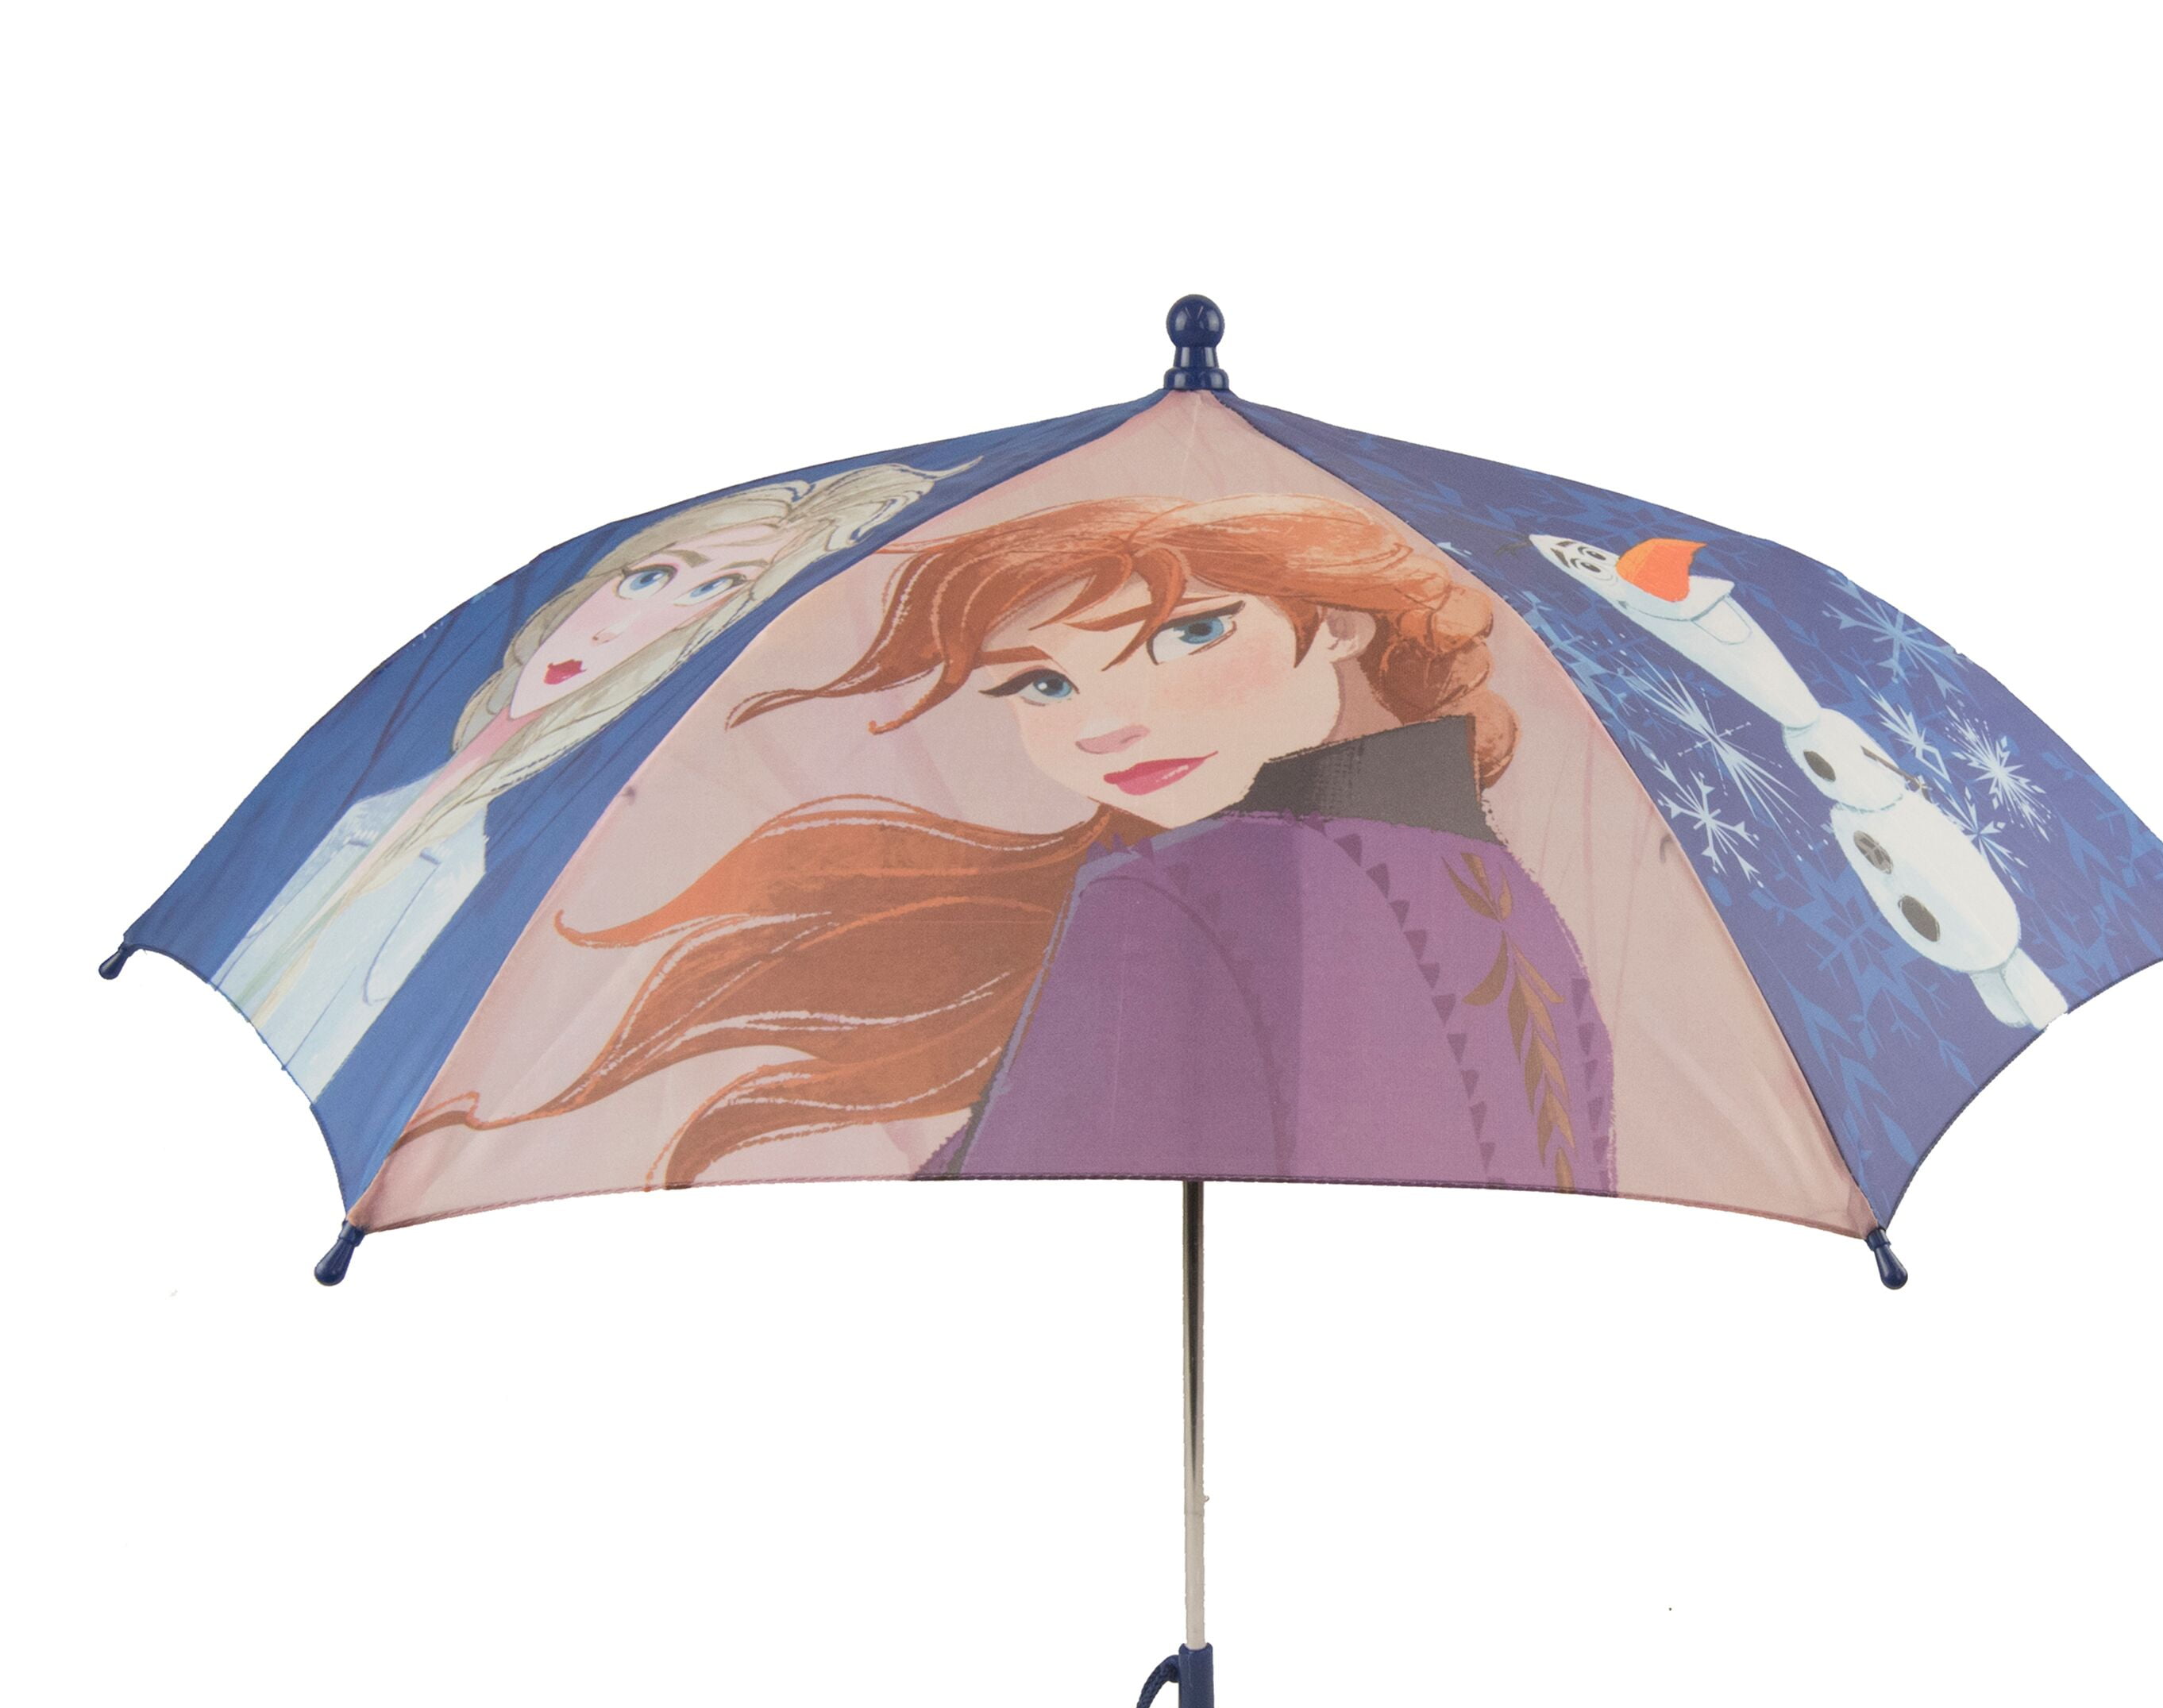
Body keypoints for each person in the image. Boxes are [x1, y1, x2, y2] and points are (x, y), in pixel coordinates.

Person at [397, 495, 1617, 1195]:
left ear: (1341, 624)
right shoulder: (1510, 900)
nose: (1109, 721)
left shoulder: (1186, 889)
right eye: (1041, 684)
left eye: (1189, 634)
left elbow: (1026, 1239)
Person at [214, 465, 949, 1096]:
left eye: (712, 594)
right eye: (651, 577)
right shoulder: (376, 808)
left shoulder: (473, 878)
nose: (614, 630)